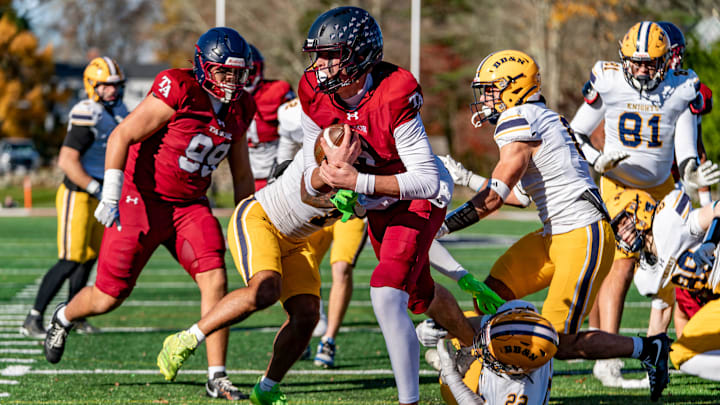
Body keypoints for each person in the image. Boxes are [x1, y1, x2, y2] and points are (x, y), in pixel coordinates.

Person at [433, 49, 671, 401]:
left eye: (490, 90)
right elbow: (519, 196)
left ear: (513, 88)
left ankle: (649, 349)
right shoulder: (537, 116)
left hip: (582, 234)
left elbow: (496, 197)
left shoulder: (519, 119)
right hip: (555, 234)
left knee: (560, 342)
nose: (483, 100)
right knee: (490, 296)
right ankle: (480, 355)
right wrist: (467, 176)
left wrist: (442, 227)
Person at [42, 27, 256, 401]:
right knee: (110, 296)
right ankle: (64, 317)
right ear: (205, 68)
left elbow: (241, 172)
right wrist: (109, 194)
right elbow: (121, 135)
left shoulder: (241, 108)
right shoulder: (180, 88)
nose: (232, 81)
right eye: (224, 72)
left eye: (238, 73)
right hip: (142, 198)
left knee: (216, 281)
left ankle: (216, 375)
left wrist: (247, 218)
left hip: (189, 205)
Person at [300, 6, 479, 404]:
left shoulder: (394, 91)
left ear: (360, 55)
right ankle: (477, 346)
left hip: (416, 196)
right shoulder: (313, 90)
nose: (321, 65)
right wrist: (331, 183)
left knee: (384, 292)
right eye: (319, 54)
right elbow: (311, 154)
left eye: (333, 55)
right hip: (377, 201)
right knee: (420, 295)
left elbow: (426, 178)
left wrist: (357, 181)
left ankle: (408, 401)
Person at [568, 21, 720, 387]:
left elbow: (685, 139)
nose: (640, 71)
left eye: (650, 63)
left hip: (663, 186)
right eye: (634, 63)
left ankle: (657, 352)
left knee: (666, 273)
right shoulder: (609, 79)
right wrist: (596, 158)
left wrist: (691, 173)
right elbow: (576, 131)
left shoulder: (682, 87)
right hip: (620, 183)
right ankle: (608, 352)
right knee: (621, 263)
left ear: (666, 60)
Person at [156, 148, 364, 405]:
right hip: (261, 219)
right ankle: (186, 339)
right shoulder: (332, 144)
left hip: (297, 240)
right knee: (265, 290)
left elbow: (373, 203)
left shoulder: (379, 168)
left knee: (308, 314)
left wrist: (364, 202)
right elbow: (307, 190)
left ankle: (267, 388)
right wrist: (351, 196)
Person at [21, 57, 128, 339]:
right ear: (92, 86)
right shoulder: (87, 111)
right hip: (79, 192)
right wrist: (95, 188)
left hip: (102, 193)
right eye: (106, 87)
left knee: (88, 258)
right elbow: (67, 161)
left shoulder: (120, 111)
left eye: (116, 86)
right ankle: (33, 317)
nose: (113, 92)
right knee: (70, 258)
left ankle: (75, 315)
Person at [274, 96, 369, 368]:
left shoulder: (361, 107)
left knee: (341, 268)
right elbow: (283, 158)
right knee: (299, 264)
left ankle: (328, 339)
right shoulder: (292, 113)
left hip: (350, 204)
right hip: (317, 202)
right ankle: (298, 330)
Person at [629, 187, 720, 381]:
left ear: (641, 214)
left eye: (623, 221)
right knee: (682, 354)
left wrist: (710, 241)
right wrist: (650, 374)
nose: (621, 232)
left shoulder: (668, 222)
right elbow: (660, 316)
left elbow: (718, 207)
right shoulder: (646, 270)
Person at [422, 300, 557, 405]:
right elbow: (473, 324)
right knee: (468, 320)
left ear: (513, 369)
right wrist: (439, 329)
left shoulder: (518, 395)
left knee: (450, 391)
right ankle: (454, 362)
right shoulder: (532, 327)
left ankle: (443, 368)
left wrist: (452, 376)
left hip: (476, 393)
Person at [244, 44, 295, 190]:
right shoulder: (226, 98)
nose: (246, 77)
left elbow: (294, 130)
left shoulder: (277, 91)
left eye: (250, 71)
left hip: (276, 168)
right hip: (245, 171)